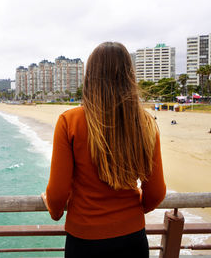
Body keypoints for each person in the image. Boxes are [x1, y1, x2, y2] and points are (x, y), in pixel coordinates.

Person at [41, 42, 166, 257]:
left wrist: (53, 209)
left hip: (85, 240)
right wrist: (131, 213)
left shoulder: (69, 121)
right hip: (132, 239)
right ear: (129, 76)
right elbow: (156, 192)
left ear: (90, 76)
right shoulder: (144, 122)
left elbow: (57, 193)